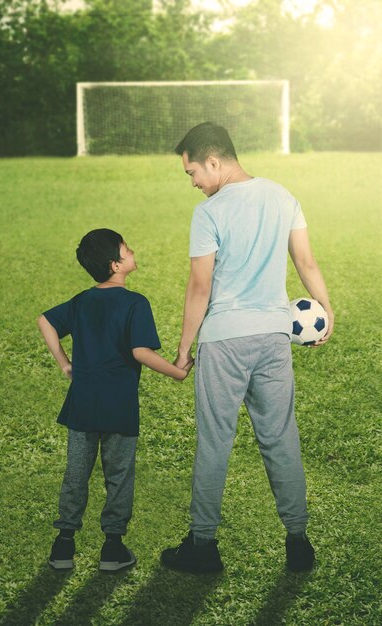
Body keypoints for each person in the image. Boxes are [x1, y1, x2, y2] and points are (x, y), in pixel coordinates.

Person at [161, 122, 334, 574]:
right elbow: (307, 261)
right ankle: (298, 542)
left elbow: (200, 287)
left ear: (214, 162)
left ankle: (203, 547)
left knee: (215, 441)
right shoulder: (283, 196)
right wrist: (326, 309)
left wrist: (183, 349)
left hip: (224, 342)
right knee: (280, 438)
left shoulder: (210, 213)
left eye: (193, 172)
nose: (194, 182)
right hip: (275, 339)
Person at [38, 228, 192, 572]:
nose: (133, 250)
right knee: (119, 475)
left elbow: (44, 321)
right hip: (119, 407)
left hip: (81, 406)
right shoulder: (135, 303)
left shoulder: (80, 301)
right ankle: (112, 549)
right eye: (127, 248)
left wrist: (66, 365)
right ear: (115, 264)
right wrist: (177, 372)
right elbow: (140, 351)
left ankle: (63, 545)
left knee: (76, 473)